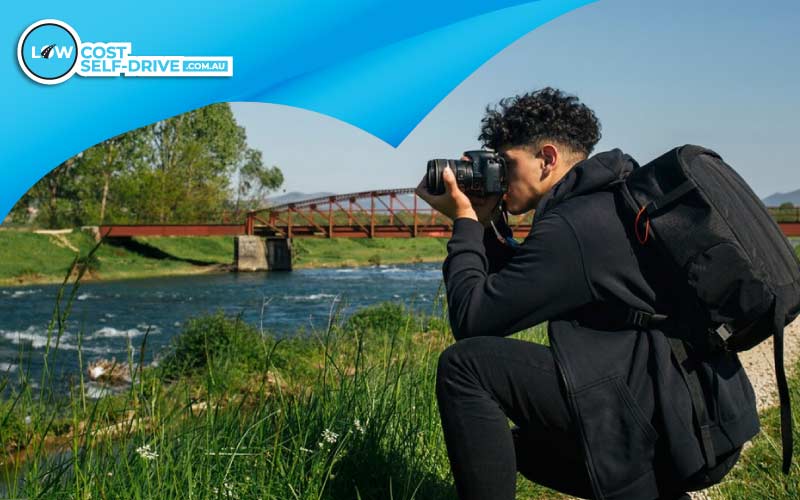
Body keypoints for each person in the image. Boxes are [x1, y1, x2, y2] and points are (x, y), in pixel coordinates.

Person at [414, 87, 759, 500]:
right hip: (706, 417)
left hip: (678, 426)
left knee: (466, 367)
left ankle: (655, 481)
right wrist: (486, 223)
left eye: (507, 165)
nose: (500, 179)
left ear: (547, 158)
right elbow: (523, 285)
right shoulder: (610, 199)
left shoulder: (575, 227)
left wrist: (465, 223)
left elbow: (473, 320)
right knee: (523, 450)